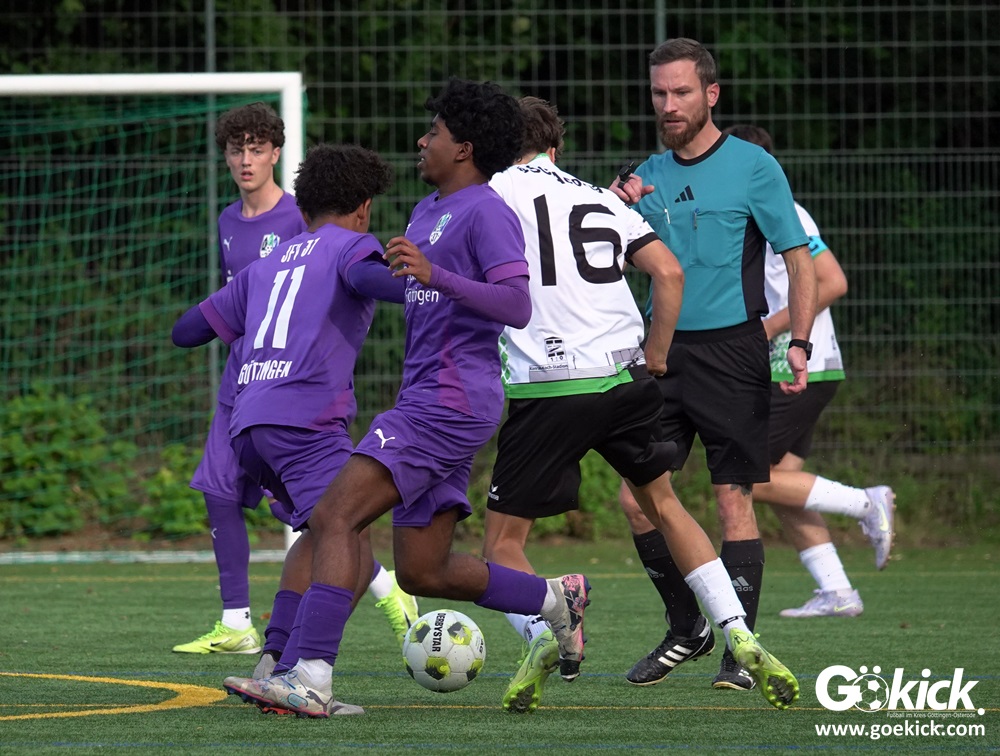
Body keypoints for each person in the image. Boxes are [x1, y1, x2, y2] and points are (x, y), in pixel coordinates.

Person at [221, 78, 590, 719]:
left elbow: (516, 304)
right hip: (429, 397)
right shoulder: (426, 211)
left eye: (435, 132)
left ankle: (308, 675)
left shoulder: (487, 211)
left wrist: (434, 274)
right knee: (423, 570)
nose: (423, 141)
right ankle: (555, 599)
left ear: (465, 147)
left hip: (448, 402)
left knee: (335, 516)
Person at [482, 96, 799, 713]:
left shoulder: (491, 194)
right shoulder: (599, 198)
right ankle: (738, 633)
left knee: (500, 545)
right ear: (555, 148)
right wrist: (656, 354)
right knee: (665, 504)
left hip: (550, 385)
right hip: (626, 379)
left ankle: (545, 632)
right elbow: (669, 274)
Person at [612, 38, 818, 692]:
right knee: (635, 499)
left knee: (734, 501)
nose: (668, 105)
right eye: (659, 93)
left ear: (711, 94)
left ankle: (739, 652)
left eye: (680, 92)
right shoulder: (645, 174)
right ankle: (687, 627)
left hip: (733, 352)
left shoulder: (754, 166)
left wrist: (800, 341)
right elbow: (604, 257)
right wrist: (614, 207)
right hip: (661, 356)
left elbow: (798, 260)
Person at [174, 104, 417, 657]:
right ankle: (304, 666)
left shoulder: (267, 264)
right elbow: (373, 280)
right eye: (237, 149)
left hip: (249, 420)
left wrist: (232, 308)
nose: (245, 159)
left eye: (256, 148)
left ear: (301, 206)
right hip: (304, 420)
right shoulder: (350, 246)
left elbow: (185, 332)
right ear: (364, 207)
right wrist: (430, 284)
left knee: (322, 529)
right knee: (345, 533)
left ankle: (271, 659)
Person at [723, 123, 895, 617]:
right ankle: (837, 591)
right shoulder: (744, 215)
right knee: (782, 484)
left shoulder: (787, 213)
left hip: (802, 365)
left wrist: (770, 329)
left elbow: (832, 281)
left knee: (748, 478)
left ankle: (866, 502)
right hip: (792, 367)